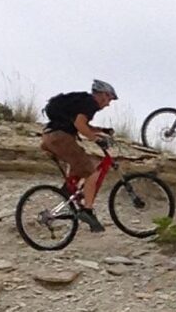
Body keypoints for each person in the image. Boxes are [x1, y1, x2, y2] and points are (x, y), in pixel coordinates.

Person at [40, 79, 118, 231]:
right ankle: (87, 211)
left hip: (50, 137)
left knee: (78, 162)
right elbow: (80, 125)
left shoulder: (82, 102)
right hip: (60, 137)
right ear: (102, 94)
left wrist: (102, 131)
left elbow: (81, 123)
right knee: (91, 171)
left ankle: (69, 191)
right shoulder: (90, 103)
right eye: (109, 99)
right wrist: (96, 139)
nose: (108, 103)